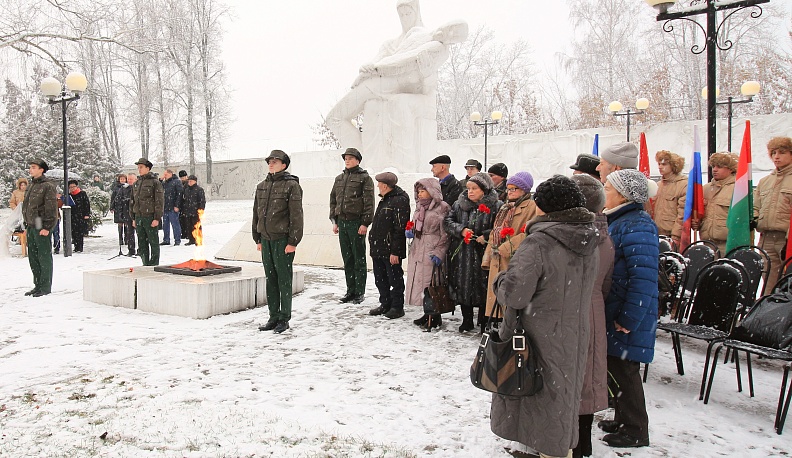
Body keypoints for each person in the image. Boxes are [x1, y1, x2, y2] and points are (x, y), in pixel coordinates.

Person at [490, 175, 600, 458]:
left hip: (538, 333)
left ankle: (546, 451)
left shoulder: (539, 242)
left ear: (545, 208)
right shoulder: (588, 237)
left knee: (535, 392)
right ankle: (555, 449)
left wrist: (501, 280)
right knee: (561, 395)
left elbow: (515, 294)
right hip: (572, 330)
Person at [326, 0, 467, 150]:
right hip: (377, 83)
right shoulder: (392, 43)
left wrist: (425, 75)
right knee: (336, 117)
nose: (405, 17)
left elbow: (425, 83)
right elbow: (375, 62)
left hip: (385, 87)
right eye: (402, 14)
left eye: (409, 13)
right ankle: (360, 157)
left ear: (417, 12)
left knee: (336, 117)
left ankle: (361, 158)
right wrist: (366, 69)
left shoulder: (435, 46)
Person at [598, 169, 658, 449]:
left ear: (623, 194)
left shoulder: (637, 224)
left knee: (625, 369)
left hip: (627, 311)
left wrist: (630, 317)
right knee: (615, 365)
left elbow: (643, 277)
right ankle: (622, 419)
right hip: (616, 308)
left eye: (608, 188)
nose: (604, 192)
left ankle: (636, 430)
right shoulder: (621, 220)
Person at [570, 174, 614, 458]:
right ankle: (583, 442)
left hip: (572, 309)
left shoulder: (574, 236)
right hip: (593, 309)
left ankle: (572, 443)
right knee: (586, 380)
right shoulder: (603, 235)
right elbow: (607, 282)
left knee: (571, 378)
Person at [444, 172, 502, 332]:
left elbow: (501, 228)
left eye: (474, 188)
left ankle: (484, 321)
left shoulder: (497, 206)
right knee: (463, 285)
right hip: (463, 253)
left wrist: (486, 235)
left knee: (483, 286)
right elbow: (447, 221)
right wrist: (461, 230)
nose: (470, 191)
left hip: (484, 253)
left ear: (484, 189)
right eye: (468, 188)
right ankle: (467, 319)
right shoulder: (459, 204)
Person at [253, 150, 303, 334]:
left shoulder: (291, 186)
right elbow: (256, 214)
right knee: (271, 280)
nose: (271, 164)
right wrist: (257, 237)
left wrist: (293, 241)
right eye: (270, 161)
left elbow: (296, 216)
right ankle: (273, 316)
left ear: (284, 165)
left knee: (284, 280)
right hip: (266, 240)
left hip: (283, 241)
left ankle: (284, 318)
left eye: (275, 161)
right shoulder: (262, 186)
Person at [482, 171, 537, 319]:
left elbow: (530, 232)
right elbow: (495, 231)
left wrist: (507, 247)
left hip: (513, 258)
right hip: (498, 259)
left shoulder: (532, 207)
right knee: (497, 300)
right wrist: (487, 257)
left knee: (511, 300)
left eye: (515, 189)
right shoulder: (505, 208)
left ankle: (509, 330)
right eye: (509, 188)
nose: (510, 192)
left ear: (525, 190)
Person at [330, 147, 375, 304]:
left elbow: (369, 203)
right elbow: (333, 200)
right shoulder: (339, 178)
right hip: (342, 222)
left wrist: (365, 223)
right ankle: (350, 290)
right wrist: (334, 221)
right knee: (347, 258)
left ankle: (359, 292)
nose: (347, 160)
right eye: (345, 158)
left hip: (356, 223)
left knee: (359, 258)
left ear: (357, 160)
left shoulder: (365, 178)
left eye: (350, 158)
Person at [406, 178, 451, 329]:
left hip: (432, 247)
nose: (420, 194)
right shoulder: (419, 208)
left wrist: (439, 252)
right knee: (421, 283)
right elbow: (416, 225)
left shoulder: (442, 208)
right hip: (419, 247)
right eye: (418, 191)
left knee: (432, 283)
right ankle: (427, 313)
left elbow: (446, 234)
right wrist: (410, 231)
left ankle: (435, 315)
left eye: (423, 191)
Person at [368, 171, 411, 319]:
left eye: (379, 184)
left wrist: (395, 251)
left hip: (390, 249)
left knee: (394, 278)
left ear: (385, 186)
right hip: (378, 247)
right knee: (380, 279)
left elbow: (400, 228)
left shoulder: (399, 200)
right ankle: (385, 303)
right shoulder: (386, 199)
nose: (378, 186)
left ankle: (397, 307)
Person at [754, 137, 792, 289]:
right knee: (768, 282)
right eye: (773, 153)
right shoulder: (765, 181)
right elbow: (756, 206)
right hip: (766, 238)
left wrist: (789, 240)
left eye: (782, 152)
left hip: (786, 239)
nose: (776, 156)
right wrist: (754, 219)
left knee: (787, 283)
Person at [22, 159, 57, 297]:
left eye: (34, 167)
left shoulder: (47, 186)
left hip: (41, 224)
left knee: (43, 256)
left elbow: (51, 208)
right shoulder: (32, 185)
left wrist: (47, 227)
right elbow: (27, 207)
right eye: (30, 167)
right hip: (31, 224)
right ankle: (37, 285)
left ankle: (45, 286)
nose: (31, 169)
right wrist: (26, 224)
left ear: (41, 169)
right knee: (33, 257)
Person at [694, 152, 738, 256]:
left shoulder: (738, 189)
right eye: (713, 166)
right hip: (707, 243)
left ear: (731, 169)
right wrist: (696, 222)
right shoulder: (705, 189)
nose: (715, 169)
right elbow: (700, 213)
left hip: (727, 244)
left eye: (720, 166)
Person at [130, 158, 165, 266]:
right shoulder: (137, 183)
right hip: (139, 217)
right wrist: (133, 217)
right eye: (138, 167)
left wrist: (157, 218)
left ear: (148, 168)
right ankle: (145, 264)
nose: (139, 169)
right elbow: (132, 201)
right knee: (142, 243)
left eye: (141, 167)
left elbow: (159, 201)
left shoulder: (155, 182)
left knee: (153, 242)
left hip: (150, 217)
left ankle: (153, 265)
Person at [651, 150, 687, 244]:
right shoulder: (658, 185)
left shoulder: (683, 185)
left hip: (671, 235)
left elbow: (682, 215)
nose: (660, 167)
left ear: (673, 165)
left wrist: (676, 236)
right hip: (657, 233)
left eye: (664, 164)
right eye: (659, 164)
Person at [111, 174, 135, 256]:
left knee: (140, 233)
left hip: (137, 212)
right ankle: (131, 250)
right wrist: (114, 207)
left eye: (131, 179)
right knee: (130, 232)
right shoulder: (123, 188)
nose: (129, 180)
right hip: (127, 212)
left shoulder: (138, 188)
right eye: (128, 179)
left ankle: (141, 250)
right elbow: (117, 199)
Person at [160, 169, 183, 246]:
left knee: (175, 224)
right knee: (165, 225)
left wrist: (177, 205)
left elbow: (179, 194)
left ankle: (177, 240)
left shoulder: (176, 182)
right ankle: (166, 239)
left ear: (171, 174)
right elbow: (158, 187)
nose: (165, 176)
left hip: (173, 207)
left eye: (166, 174)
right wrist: (160, 180)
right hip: (165, 207)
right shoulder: (164, 183)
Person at [181, 175, 206, 246]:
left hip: (196, 211)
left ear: (195, 181)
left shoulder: (199, 190)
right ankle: (191, 239)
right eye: (188, 181)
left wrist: (200, 210)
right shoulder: (186, 190)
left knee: (197, 226)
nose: (189, 182)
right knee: (189, 226)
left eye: (191, 181)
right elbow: (184, 200)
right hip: (188, 211)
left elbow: (202, 201)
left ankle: (198, 240)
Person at [67, 180, 91, 253]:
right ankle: (75, 246)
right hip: (72, 215)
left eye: (73, 186)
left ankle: (79, 247)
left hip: (81, 215)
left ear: (77, 186)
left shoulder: (82, 194)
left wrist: (86, 214)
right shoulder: (69, 195)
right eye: (70, 187)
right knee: (73, 231)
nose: (72, 188)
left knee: (80, 232)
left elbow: (86, 204)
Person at [178, 170, 190, 239]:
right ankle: (184, 233)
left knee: (186, 220)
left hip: (186, 204)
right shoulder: (181, 184)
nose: (182, 179)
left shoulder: (187, 184)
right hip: (182, 205)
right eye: (181, 178)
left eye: (183, 177)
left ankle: (187, 233)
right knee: (182, 220)